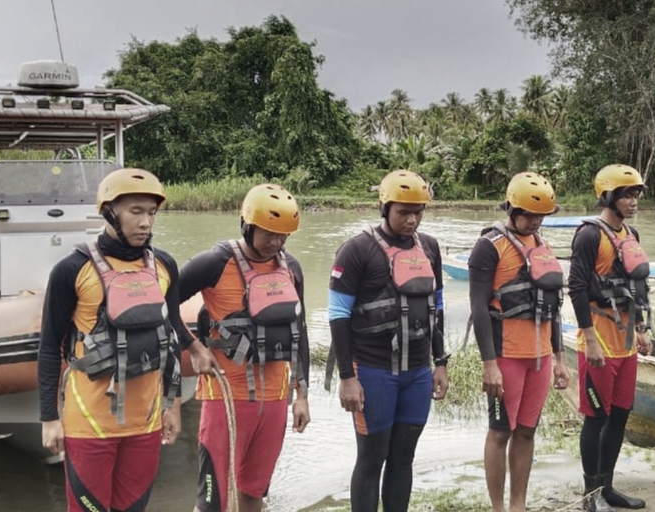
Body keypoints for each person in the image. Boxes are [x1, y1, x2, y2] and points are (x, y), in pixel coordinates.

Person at [38, 168, 204, 512]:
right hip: (89, 423)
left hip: (145, 422)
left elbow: (170, 334)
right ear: (109, 212)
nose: (146, 222)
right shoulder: (72, 270)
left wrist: (171, 405)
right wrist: (49, 417)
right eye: (136, 211)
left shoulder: (164, 265)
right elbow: (50, 346)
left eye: (152, 213)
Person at [180, 183, 311, 512]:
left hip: (275, 399)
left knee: (254, 492)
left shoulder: (290, 268)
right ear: (247, 225)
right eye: (269, 234)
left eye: (283, 236)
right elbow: (162, 304)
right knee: (213, 500)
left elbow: (300, 332)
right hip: (226, 398)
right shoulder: (214, 262)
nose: (276, 243)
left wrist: (302, 396)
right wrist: (194, 347)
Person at [327, 169, 449, 512]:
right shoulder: (356, 250)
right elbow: (338, 314)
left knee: (403, 457)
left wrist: (440, 363)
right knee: (371, 458)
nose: (412, 220)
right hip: (372, 371)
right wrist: (347, 379)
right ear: (384, 207)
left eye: (418, 212)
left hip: (417, 373)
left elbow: (435, 308)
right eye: (403, 212)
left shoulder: (430, 248)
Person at [468, 171, 571, 512]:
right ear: (511, 208)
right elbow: (479, 309)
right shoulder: (489, 247)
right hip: (506, 356)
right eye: (528, 214)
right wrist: (489, 364)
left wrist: (559, 358)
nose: (534, 221)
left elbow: (552, 306)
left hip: (540, 358)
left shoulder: (543, 246)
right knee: (500, 432)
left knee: (526, 432)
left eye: (540, 216)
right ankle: (498, 507)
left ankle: (518, 505)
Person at [567, 164, 653, 512]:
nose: (633, 201)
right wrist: (588, 340)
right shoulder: (589, 235)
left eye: (635, 194)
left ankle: (608, 487)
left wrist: (641, 328)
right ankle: (591, 496)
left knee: (619, 416)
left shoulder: (631, 234)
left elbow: (637, 288)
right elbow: (575, 288)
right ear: (608, 197)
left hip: (626, 345)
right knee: (597, 417)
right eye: (626, 195)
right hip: (598, 344)